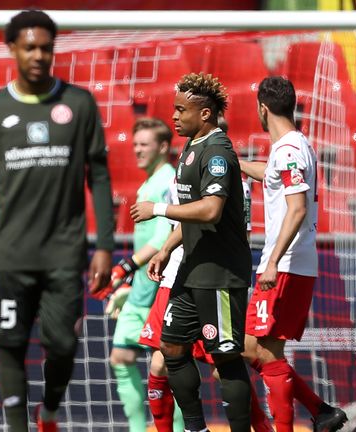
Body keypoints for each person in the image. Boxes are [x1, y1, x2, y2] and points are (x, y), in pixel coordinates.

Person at [0, 9, 115, 432]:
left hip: (65, 254)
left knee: (63, 344)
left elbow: (99, 175)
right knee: (9, 345)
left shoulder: (79, 103)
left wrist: (105, 243)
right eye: (29, 47)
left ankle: (48, 410)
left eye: (46, 47)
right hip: (11, 255)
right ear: (12, 49)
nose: (38, 55)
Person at [131, 72, 252, 432]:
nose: (175, 116)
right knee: (171, 347)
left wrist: (158, 210)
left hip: (219, 272)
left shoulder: (217, 150)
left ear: (205, 114)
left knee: (225, 357)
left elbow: (211, 209)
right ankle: (195, 428)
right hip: (192, 268)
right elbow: (191, 209)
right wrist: (167, 248)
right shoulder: (191, 147)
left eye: (181, 110)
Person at [240, 76, 347, 432]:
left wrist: (271, 262)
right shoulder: (296, 146)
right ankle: (321, 411)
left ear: (263, 109)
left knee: (264, 355)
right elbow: (271, 175)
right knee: (249, 348)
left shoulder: (287, 151)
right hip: (293, 264)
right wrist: (237, 162)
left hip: (284, 266)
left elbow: (297, 208)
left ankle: (296, 422)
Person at [139, 178, 274, 432]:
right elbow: (179, 227)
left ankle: (264, 426)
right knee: (160, 362)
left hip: (212, 280)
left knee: (225, 365)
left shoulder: (235, 183)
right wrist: (163, 253)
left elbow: (240, 234)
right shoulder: (177, 178)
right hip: (175, 279)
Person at [103, 118, 174, 432]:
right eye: (135, 144)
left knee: (171, 367)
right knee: (120, 355)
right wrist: (130, 284)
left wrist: (124, 268)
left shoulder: (167, 181)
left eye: (144, 144)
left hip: (162, 288)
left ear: (163, 147)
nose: (137, 150)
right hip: (142, 288)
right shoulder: (149, 183)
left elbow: (161, 240)